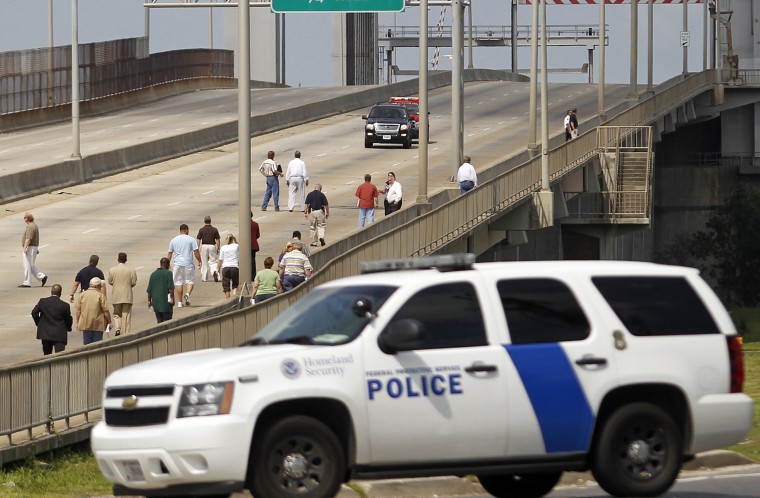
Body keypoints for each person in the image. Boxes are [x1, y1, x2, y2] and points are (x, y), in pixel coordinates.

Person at [31, 283, 72, 355]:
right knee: (60, 356)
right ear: (60, 293)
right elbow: (68, 319)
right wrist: (68, 328)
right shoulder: (65, 305)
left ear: (51, 292)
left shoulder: (43, 302)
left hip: (46, 333)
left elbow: (34, 313)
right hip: (59, 334)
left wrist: (39, 323)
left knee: (47, 355)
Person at [167, 223, 202, 308]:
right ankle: (187, 294)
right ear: (186, 230)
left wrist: (168, 263)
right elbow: (196, 251)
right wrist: (200, 261)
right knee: (190, 281)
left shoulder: (174, 240)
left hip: (177, 264)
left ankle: (179, 302)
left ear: (180, 231)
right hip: (188, 263)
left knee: (178, 282)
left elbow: (170, 253)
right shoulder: (191, 239)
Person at [108, 252, 137, 336]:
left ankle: (118, 328)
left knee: (116, 313)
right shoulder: (131, 270)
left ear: (118, 259)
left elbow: (110, 281)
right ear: (126, 260)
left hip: (116, 295)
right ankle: (125, 332)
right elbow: (134, 282)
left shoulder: (112, 270)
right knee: (126, 314)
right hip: (127, 295)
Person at [76, 277, 112, 345]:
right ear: (97, 286)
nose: (101, 287)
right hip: (98, 323)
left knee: (87, 344)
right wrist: (109, 322)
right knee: (97, 344)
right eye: (100, 286)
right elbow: (106, 311)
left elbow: (78, 311)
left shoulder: (82, 295)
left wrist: (78, 323)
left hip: (85, 323)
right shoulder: (100, 295)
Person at [20, 212, 48, 288]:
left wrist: (25, 248)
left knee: (27, 265)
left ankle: (27, 282)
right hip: (32, 247)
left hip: (30, 247)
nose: (24, 219)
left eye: (25, 218)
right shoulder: (33, 225)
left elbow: (29, 238)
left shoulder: (31, 226)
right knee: (31, 265)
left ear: (28, 218)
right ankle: (42, 277)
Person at [147, 257, 175, 324]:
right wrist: (172, 299)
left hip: (156, 304)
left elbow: (149, 290)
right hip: (166, 304)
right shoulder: (168, 273)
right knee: (167, 323)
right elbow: (171, 289)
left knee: (159, 322)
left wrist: (149, 301)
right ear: (168, 265)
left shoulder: (153, 274)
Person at [196, 215, 221, 282]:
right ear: (210, 221)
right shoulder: (214, 229)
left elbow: (198, 239)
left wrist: (198, 248)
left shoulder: (201, 230)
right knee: (213, 261)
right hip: (212, 246)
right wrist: (218, 248)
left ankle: (204, 278)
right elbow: (218, 240)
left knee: (204, 262)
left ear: (204, 221)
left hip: (204, 246)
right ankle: (215, 272)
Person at [217, 233, 240, 298]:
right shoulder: (236, 246)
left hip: (225, 267)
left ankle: (228, 300)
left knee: (226, 287)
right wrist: (235, 240)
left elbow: (220, 259)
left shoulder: (223, 247)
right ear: (233, 239)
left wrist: (218, 269)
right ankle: (235, 297)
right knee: (235, 285)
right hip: (234, 267)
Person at [251, 211, 261, 280]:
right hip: (253, 244)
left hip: (245, 245)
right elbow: (258, 235)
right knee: (252, 260)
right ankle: (253, 275)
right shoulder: (255, 224)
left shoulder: (243, 224)